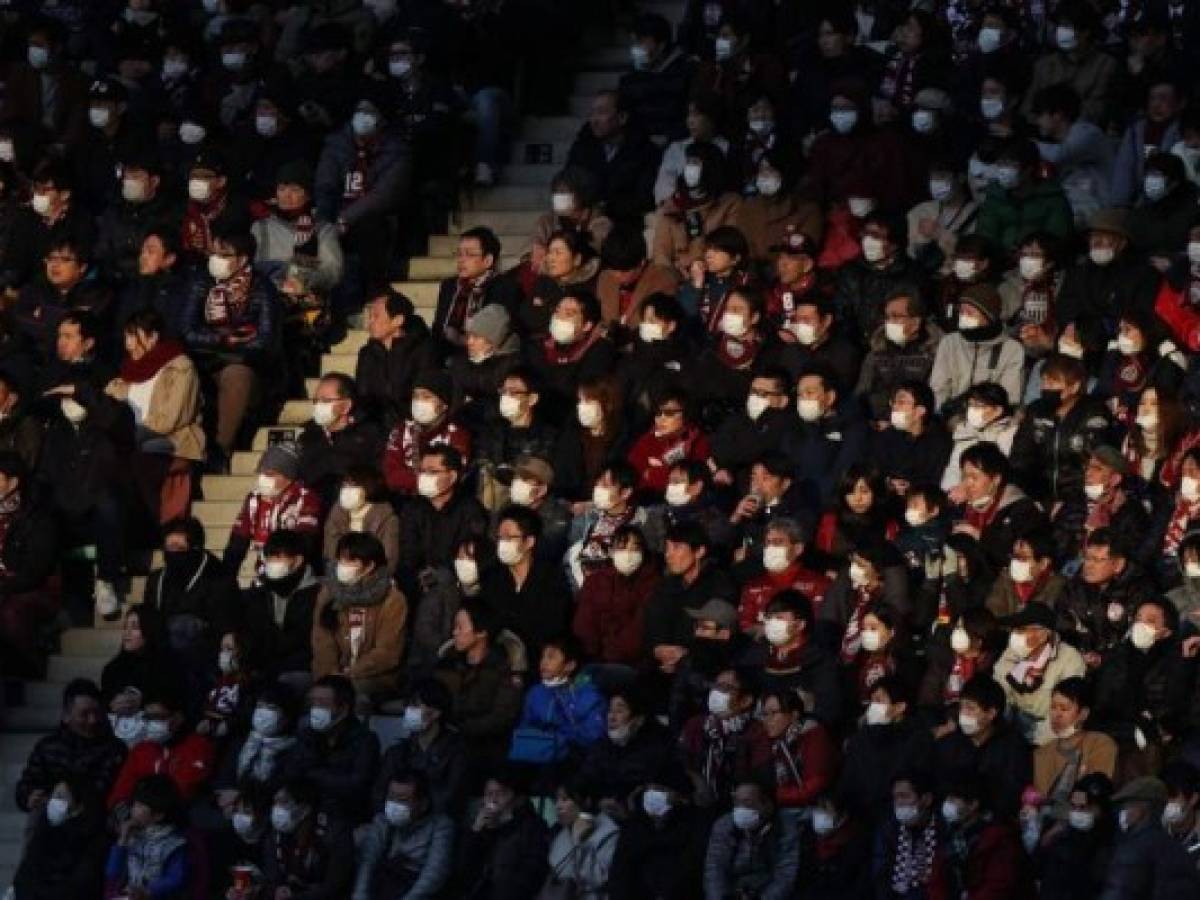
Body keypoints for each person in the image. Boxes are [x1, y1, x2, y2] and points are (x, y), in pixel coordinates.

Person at [182, 223, 280, 465]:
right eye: (214, 253)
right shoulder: (202, 283)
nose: (216, 259)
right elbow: (186, 331)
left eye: (225, 255)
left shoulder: (262, 288)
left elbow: (265, 341)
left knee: (236, 375)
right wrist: (224, 340)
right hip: (206, 360)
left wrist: (230, 349)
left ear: (243, 259)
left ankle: (220, 450)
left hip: (249, 366)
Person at [312, 532, 408, 707]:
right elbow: (322, 641)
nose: (343, 566)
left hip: (375, 677)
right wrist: (331, 675)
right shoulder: (328, 593)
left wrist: (351, 673)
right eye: (341, 560)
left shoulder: (393, 599)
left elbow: (388, 651)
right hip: (333, 675)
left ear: (369, 566)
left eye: (350, 561)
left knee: (352, 697)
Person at [14, 679, 126, 827]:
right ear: (66, 716)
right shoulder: (48, 747)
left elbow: (105, 787)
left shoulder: (115, 749)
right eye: (84, 714)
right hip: (53, 821)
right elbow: (27, 783)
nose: (92, 720)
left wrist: (71, 791)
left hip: (95, 821)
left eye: (96, 713)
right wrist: (29, 796)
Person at [434, 601, 523, 776]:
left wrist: (462, 729)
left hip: (485, 747)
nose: (454, 632)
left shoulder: (503, 670)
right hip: (445, 742)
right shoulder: (448, 664)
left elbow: (501, 717)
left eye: (460, 627)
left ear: (481, 632)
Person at [284, 675, 381, 825]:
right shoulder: (308, 734)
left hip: (346, 817)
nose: (315, 709)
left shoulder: (365, 741)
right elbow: (291, 771)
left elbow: (355, 786)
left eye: (322, 704)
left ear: (343, 708)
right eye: (312, 703)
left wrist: (312, 774)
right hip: (309, 811)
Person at [106, 685, 215, 817]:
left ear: (178, 717)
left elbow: (182, 792)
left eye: (158, 717)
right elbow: (122, 789)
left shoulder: (198, 747)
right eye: (147, 718)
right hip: (135, 820)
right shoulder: (142, 749)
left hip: (177, 821)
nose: (151, 723)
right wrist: (120, 814)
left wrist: (142, 807)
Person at [933, 674, 1032, 820]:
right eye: (961, 708)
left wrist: (978, 807)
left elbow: (1011, 794)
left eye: (971, 709)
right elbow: (940, 783)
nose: (963, 715)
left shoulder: (1013, 747)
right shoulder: (952, 743)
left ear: (991, 713)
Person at [608, 762, 711, 899]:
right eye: (650, 789)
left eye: (661, 789)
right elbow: (620, 874)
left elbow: (693, 869)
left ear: (678, 796)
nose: (653, 794)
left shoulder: (694, 825)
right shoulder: (635, 826)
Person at [839, 677, 935, 823]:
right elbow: (849, 780)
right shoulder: (860, 739)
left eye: (879, 700)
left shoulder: (918, 739)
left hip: (899, 817)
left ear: (900, 707)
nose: (872, 707)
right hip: (860, 819)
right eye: (871, 701)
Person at [372, 678, 469, 818]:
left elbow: (451, 798)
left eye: (415, 705)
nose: (408, 711)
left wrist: (416, 812)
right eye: (408, 705)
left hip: (435, 825)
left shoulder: (456, 753)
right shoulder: (397, 752)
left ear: (435, 712)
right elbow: (379, 793)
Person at [353, 769, 456, 900]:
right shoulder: (382, 820)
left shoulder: (440, 826)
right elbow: (368, 862)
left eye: (402, 800)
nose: (394, 805)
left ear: (423, 804)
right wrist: (360, 895)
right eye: (391, 797)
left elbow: (434, 874)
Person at [223, 442, 321, 578]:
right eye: (262, 473)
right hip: (263, 571)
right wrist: (226, 578)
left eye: (271, 474)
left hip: (294, 572)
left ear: (289, 477)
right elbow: (238, 541)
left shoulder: (305, 498)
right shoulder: (254, 499)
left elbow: (305, 542)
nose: (263, 478)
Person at [0, 450, 58, 675]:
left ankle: (25, 667)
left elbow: (36, 569)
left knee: (9, 614)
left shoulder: (36, 516)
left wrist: (5, 586)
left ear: (13, 482)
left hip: (29, 588)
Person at [680, 665, 772, 805]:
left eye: (725, 688)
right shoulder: (696, 724)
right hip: (696, 799)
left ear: (746, 700)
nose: (716, 693)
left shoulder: (756, 732)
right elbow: (682, 759)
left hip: (737, 804)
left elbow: (760, 779)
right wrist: (697, 782)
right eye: (715, 686)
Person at [455, 765, 551, 898]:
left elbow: (530, 877)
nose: (493, 800)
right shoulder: (479, 828)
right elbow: (462, 871)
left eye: (501, 794)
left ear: (518, 799)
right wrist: (476, 832)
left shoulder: (533, 829)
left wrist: (504, 828)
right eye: (489, 794)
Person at [11, 773, 108, 900]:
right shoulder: (44, 829)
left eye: (61, 797)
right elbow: (24, 875)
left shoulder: (92, 838)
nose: (54, 802)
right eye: (54, 796)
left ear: (78, 806)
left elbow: (81, 884)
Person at [297, 372, 386, 508]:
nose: (319, 405)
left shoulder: (370, 435)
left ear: (346, 405)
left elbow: (377, 477)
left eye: (326, 401)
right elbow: (303, 477)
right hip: (315, 510)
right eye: (316, 401)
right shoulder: (307, 437)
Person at [703, 776, 800, 900]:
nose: (740, 809)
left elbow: (786, 875)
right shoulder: (725, 825)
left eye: (747, 803)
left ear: (767, 804)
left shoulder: (785, 825)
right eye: (737, 802)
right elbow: (715, 869)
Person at [355, 285, 437, 429]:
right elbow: (363, 397)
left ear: (397, 320)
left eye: (376, 316)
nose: (370, 322)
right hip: (375, 428)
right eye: (370, 317)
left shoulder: (424, 350)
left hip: (412, 426)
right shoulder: (367, 353)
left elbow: (423, 397)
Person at [1103, 776, 1200, 897]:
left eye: (1128, 805)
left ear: (1142, 809)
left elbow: (1119, 892)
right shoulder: (1177, 849)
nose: (1124, 812)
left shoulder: (1134, 850)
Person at [260, 778, 355, 898]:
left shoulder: (337, 834)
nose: (277, 810)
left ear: (305, 809)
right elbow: (271, 876)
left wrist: (296, 897)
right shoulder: (275, 833)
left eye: (283, 803)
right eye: (275, 803)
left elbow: (333, 887)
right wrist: (276, 890)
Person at [433, 226, 521, 354]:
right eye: (459, 253)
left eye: (469, 254)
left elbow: (498, 334)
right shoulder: (449, 285)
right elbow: (438, 328)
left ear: (487, 260)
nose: (461, 259)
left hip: (484, 354)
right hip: (446, 352)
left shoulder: (505, 287)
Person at [104, 774, 191, 899]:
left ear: (158, 815)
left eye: (140, 806)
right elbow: (112, 873)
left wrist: (147, 891)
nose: (133, 810)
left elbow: (176, 879)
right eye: (134, 804)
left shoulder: (173, 843)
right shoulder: (132, 835)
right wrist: (122, 841)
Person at [871, 769, 949, 897]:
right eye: (896, 798)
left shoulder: (944, 831)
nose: (899, 803)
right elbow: (880, 876)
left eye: (905, 796)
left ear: (927, 799)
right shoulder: (889, 831)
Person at [542, 778, 621, 899]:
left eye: (565, 799)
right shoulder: (562, 832)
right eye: (556, 800)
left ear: (585, 801)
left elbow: (599, 877)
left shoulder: (609, 833)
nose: (558, 806)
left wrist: (583, 843)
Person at [323, 464, 399, 573]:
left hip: (373, 579)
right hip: (339, 576)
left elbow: (389, 560)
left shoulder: (386, 518)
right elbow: (329, 552)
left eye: (353, 485)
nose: (346, 490)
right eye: (345, 485)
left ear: (369, 487)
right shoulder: (336, 514)